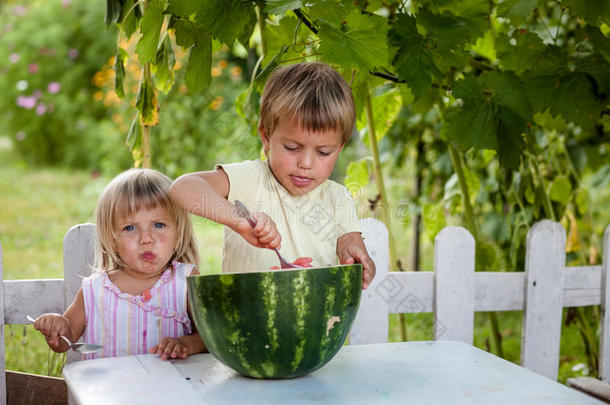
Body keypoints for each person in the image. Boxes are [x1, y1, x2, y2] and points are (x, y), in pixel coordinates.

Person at [170, 62, 375, 289]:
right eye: (292, 148)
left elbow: (349, 242)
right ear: (266, 137)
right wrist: (238, 221)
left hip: (315, 320)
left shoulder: (337, 197)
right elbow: (183, 188)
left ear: (340, 148)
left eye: (323, 152)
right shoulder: (252, 178)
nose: (305, 163)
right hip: (246, 317)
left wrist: (357, 257)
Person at [32, 168, 207, 360]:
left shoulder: (184, 282)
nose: (146, 238)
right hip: (107, 388)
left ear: (178, 234)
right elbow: (67, 338)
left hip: (171, 387)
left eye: (158, 225)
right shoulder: (95, 290)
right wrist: (58, 328)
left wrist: (185, 344)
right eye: (130, 228)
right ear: (112, 239)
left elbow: (211, 335)